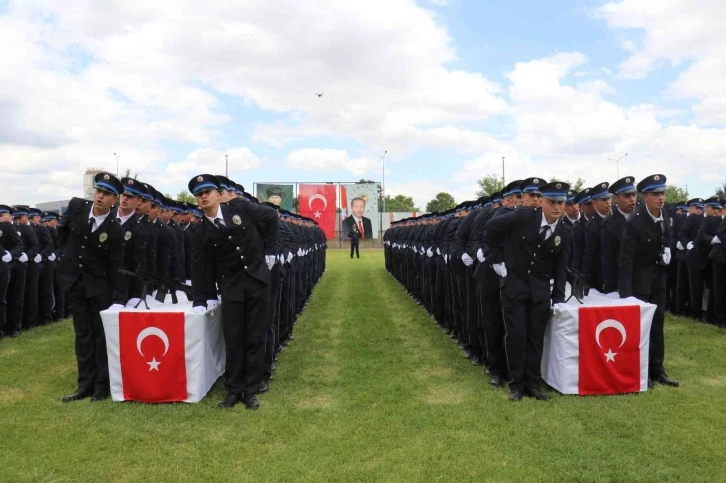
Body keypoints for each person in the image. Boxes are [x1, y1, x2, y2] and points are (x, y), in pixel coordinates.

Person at [188, 174, 278, 409]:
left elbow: (270, 216)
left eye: (208, 191)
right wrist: (201, 298)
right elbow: (200, 267)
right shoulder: (199, 232)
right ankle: (232, 390)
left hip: (257, 281)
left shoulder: (239, 207)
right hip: (231, 287)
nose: (204, 196)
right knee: (234, 338)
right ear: (197, 201)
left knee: (255, 337)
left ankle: (250, 390)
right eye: (199, 194)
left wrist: (268, 251)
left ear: (218, 194)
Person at [484, 181, 572, 401]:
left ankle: (533, 384)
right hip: (515, 285)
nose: (557, 207)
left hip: (540, 289)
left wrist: (558, 296)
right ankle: (516, 384)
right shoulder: (523, 216)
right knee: (516, 335)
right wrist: (496, 259)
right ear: (541, 201)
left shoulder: (564, 230)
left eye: (561, 203)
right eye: (552, 202)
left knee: (535, 337)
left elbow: (561, 265)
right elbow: (492, 228)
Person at [58, 172, 126, 402]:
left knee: (100, 336)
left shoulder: (114, 229)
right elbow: (63, 233)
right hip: (75, 282)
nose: (100, 196)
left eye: (106, 194)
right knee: (82, 335)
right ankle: (84, 384)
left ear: (114, 200)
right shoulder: (77, 207)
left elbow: (116, 264)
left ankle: (101, 385)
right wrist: (65, 259)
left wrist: (118, 297)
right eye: (98, 191)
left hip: (99, 287)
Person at [618, 174, 679, 388]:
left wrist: (667, 250)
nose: (661, 198)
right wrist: (625, 295)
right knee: (640, 328)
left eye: (662, 193)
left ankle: (657, 368)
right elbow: (625, 260)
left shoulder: (667, 214)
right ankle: (641, 371)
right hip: (638, 282)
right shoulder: (635, 221)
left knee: (658, 325)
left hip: (658, 279)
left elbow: (667, 235)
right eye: (655, 194)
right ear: (646, 197)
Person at [601, 176, 637, 295]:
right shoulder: (609, 224)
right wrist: (610, 288)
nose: (632, 199)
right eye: (627, 196)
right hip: (622, 282)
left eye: (633, 194)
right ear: (616, 198)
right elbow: (608, 259)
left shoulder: (641, 218)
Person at [0, 205, 24, 338]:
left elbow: (19, 244)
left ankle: (14, 327)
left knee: (14, 297)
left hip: (11, 266)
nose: (10, 217)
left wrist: (12, 254)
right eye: (8, 215)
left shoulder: (7, 227)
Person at [583, 182, 611, 293]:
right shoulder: (592, 225)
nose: (608, 202)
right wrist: (587, 281)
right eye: (604, 200)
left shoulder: (617, 219)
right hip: (600, 274)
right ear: (595, 203)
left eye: (609, 199)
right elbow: (589, 255)